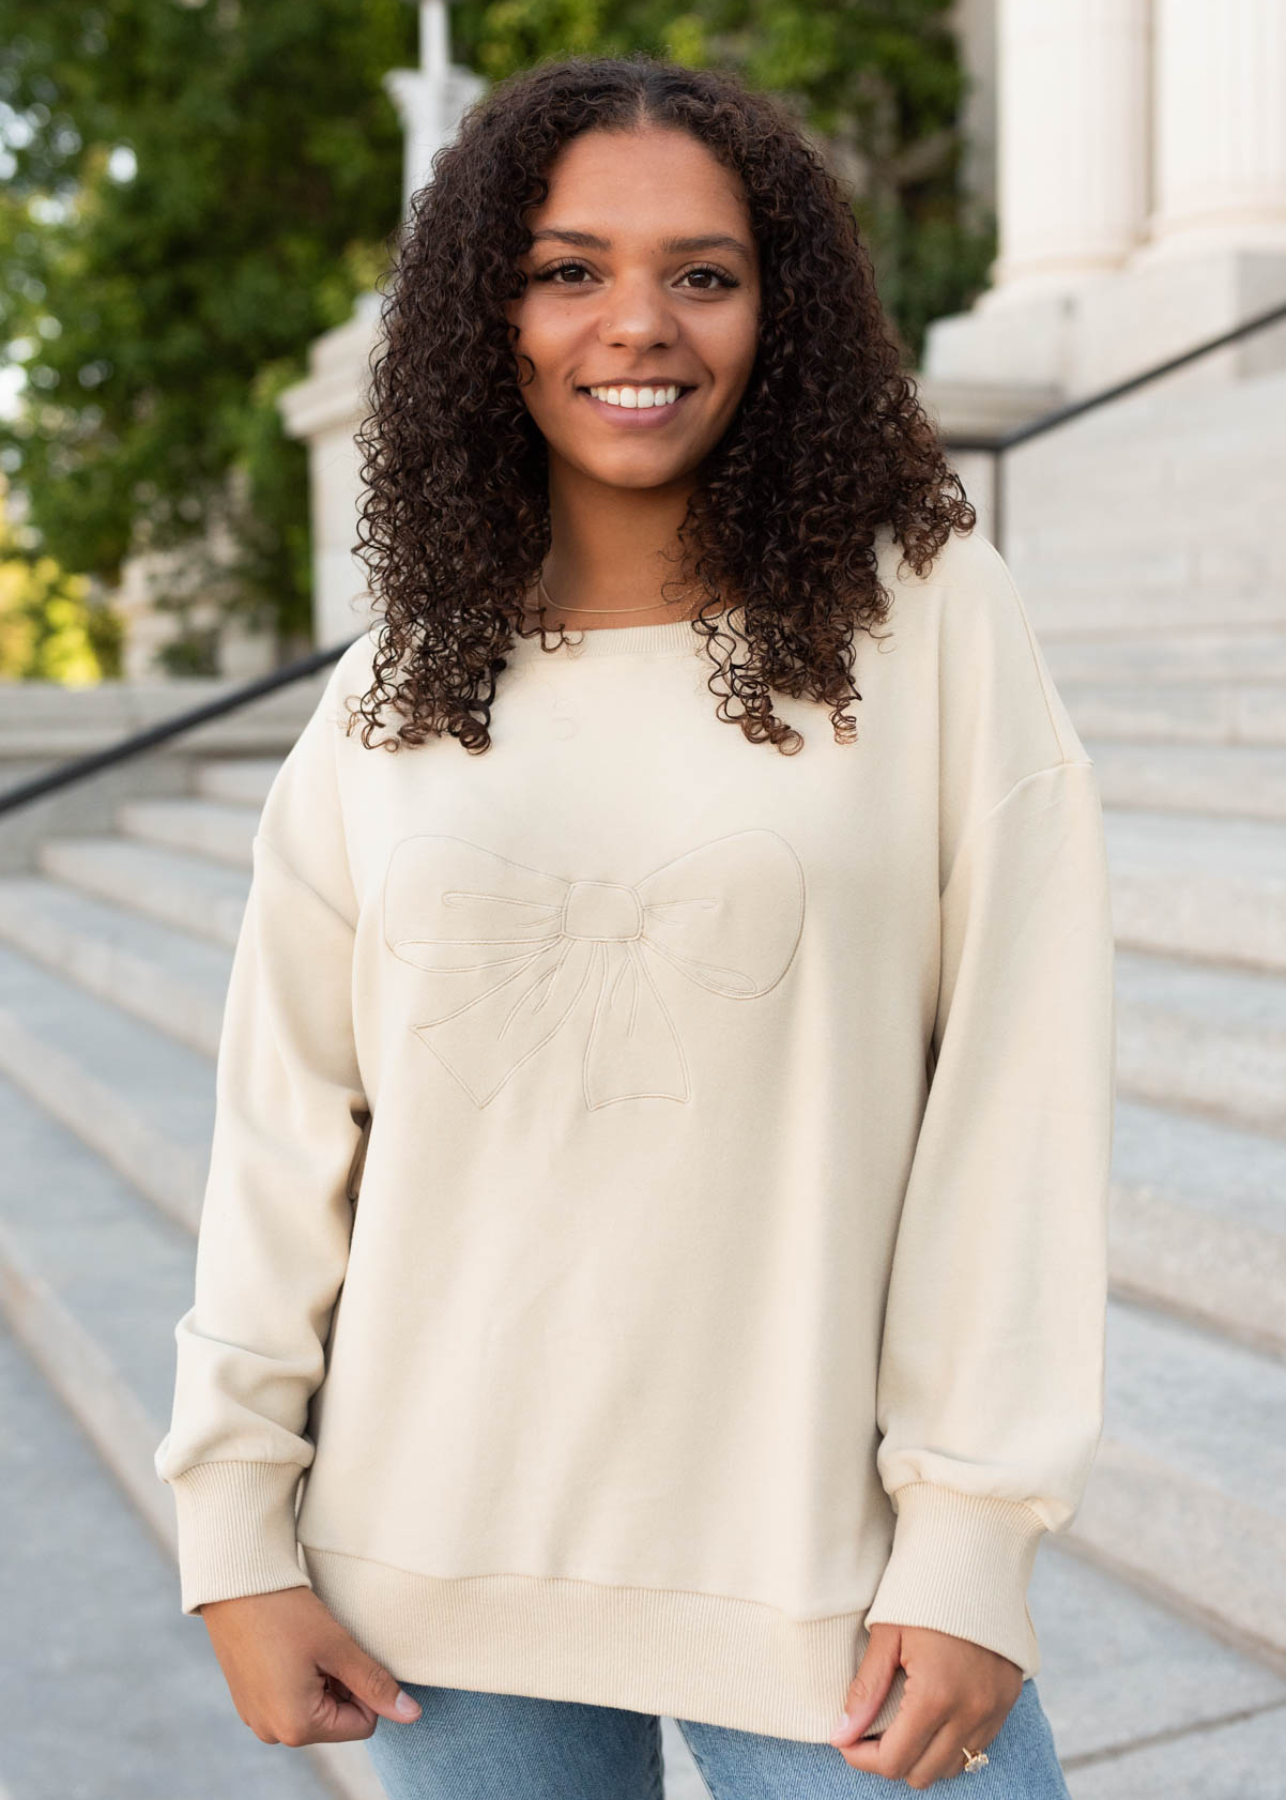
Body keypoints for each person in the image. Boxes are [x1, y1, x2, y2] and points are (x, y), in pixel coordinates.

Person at [154, 51, 1115, 1800]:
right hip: (429, 1579)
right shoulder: (392, 691)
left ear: (782, 312)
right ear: (485, 311)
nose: (636, 326)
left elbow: (1018, 1094)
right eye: (566, 268)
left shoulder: (929, 627)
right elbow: (288, 1125)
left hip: (822, 1584)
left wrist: (971, 1535)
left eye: (703, 274)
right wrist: (235, 1525)